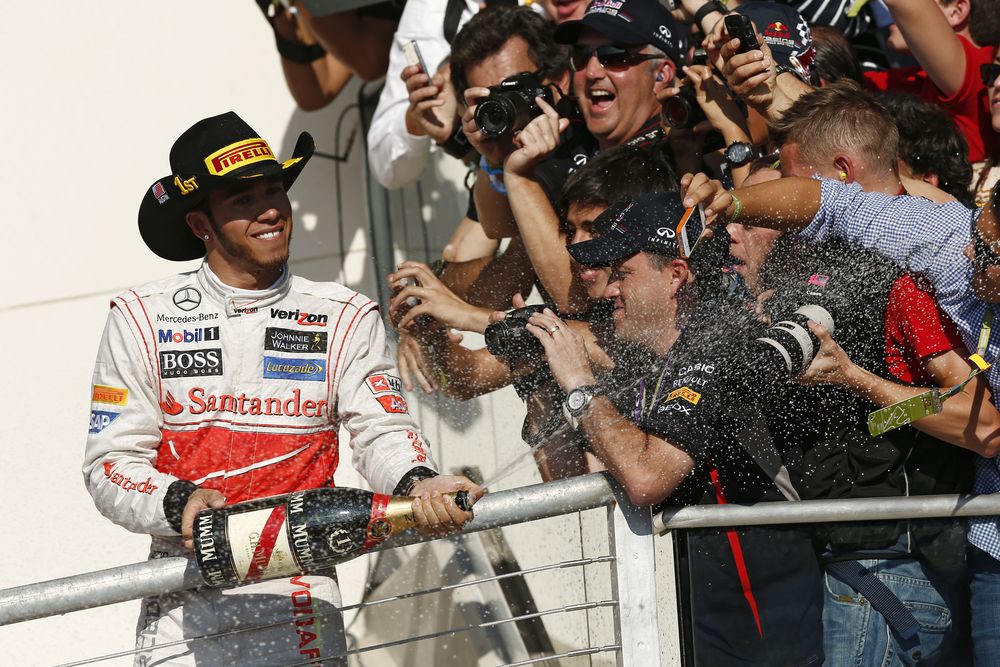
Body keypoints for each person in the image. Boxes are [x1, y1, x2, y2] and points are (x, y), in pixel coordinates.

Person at [83, 112, 478, 665]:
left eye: (274, 190)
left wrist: (419, 483)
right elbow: (109, 464)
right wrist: (178, 503)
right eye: (243, 199)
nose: (269, 210)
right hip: (184, 593)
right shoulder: (140, 317)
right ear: (200, 224)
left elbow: (382, 432)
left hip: (300, 592)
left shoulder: (344, 315)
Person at [529, 191, 824, 665]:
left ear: (675, 275)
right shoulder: (654, 358)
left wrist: (580, 384)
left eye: (622, 274)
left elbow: (647, 478)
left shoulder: (717, 344)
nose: (608, 291)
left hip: (766, 631)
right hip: (709, 628)